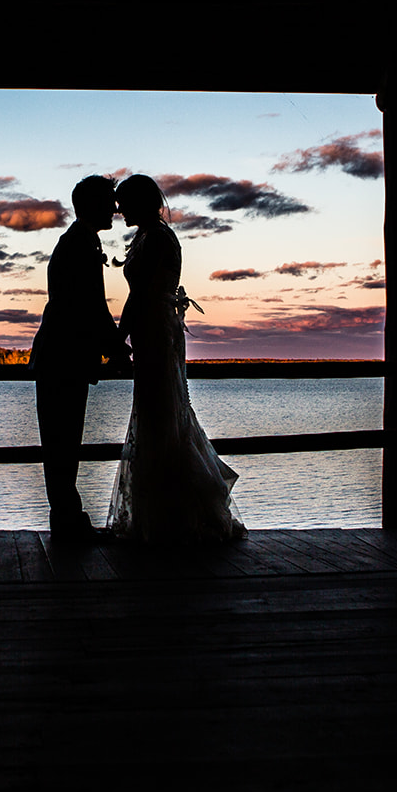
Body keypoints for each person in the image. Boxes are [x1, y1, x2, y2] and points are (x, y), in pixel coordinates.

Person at [107, 174, 246, 544]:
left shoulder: (156, 239)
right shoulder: (154, 236)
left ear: (141, 202)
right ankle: (170, 514)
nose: (119, 210)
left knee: (161, 416)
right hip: (153, 330)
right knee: (160, 415)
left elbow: (139, 297)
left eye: (124, 202)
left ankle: (170, 518)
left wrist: (117, 341)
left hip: (154, 331)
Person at [29, 175, 132, 539]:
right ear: (91, 205)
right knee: (62, 441)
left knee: (62, 442)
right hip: (64, 357)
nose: (115, 209)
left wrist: (114, 347)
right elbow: (89, 307)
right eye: (109, 202)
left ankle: (67, 519)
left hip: (60, 355)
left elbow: (87, 307)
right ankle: (67, 522)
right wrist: (118, 350)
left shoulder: (78, 241)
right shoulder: (79, 244)